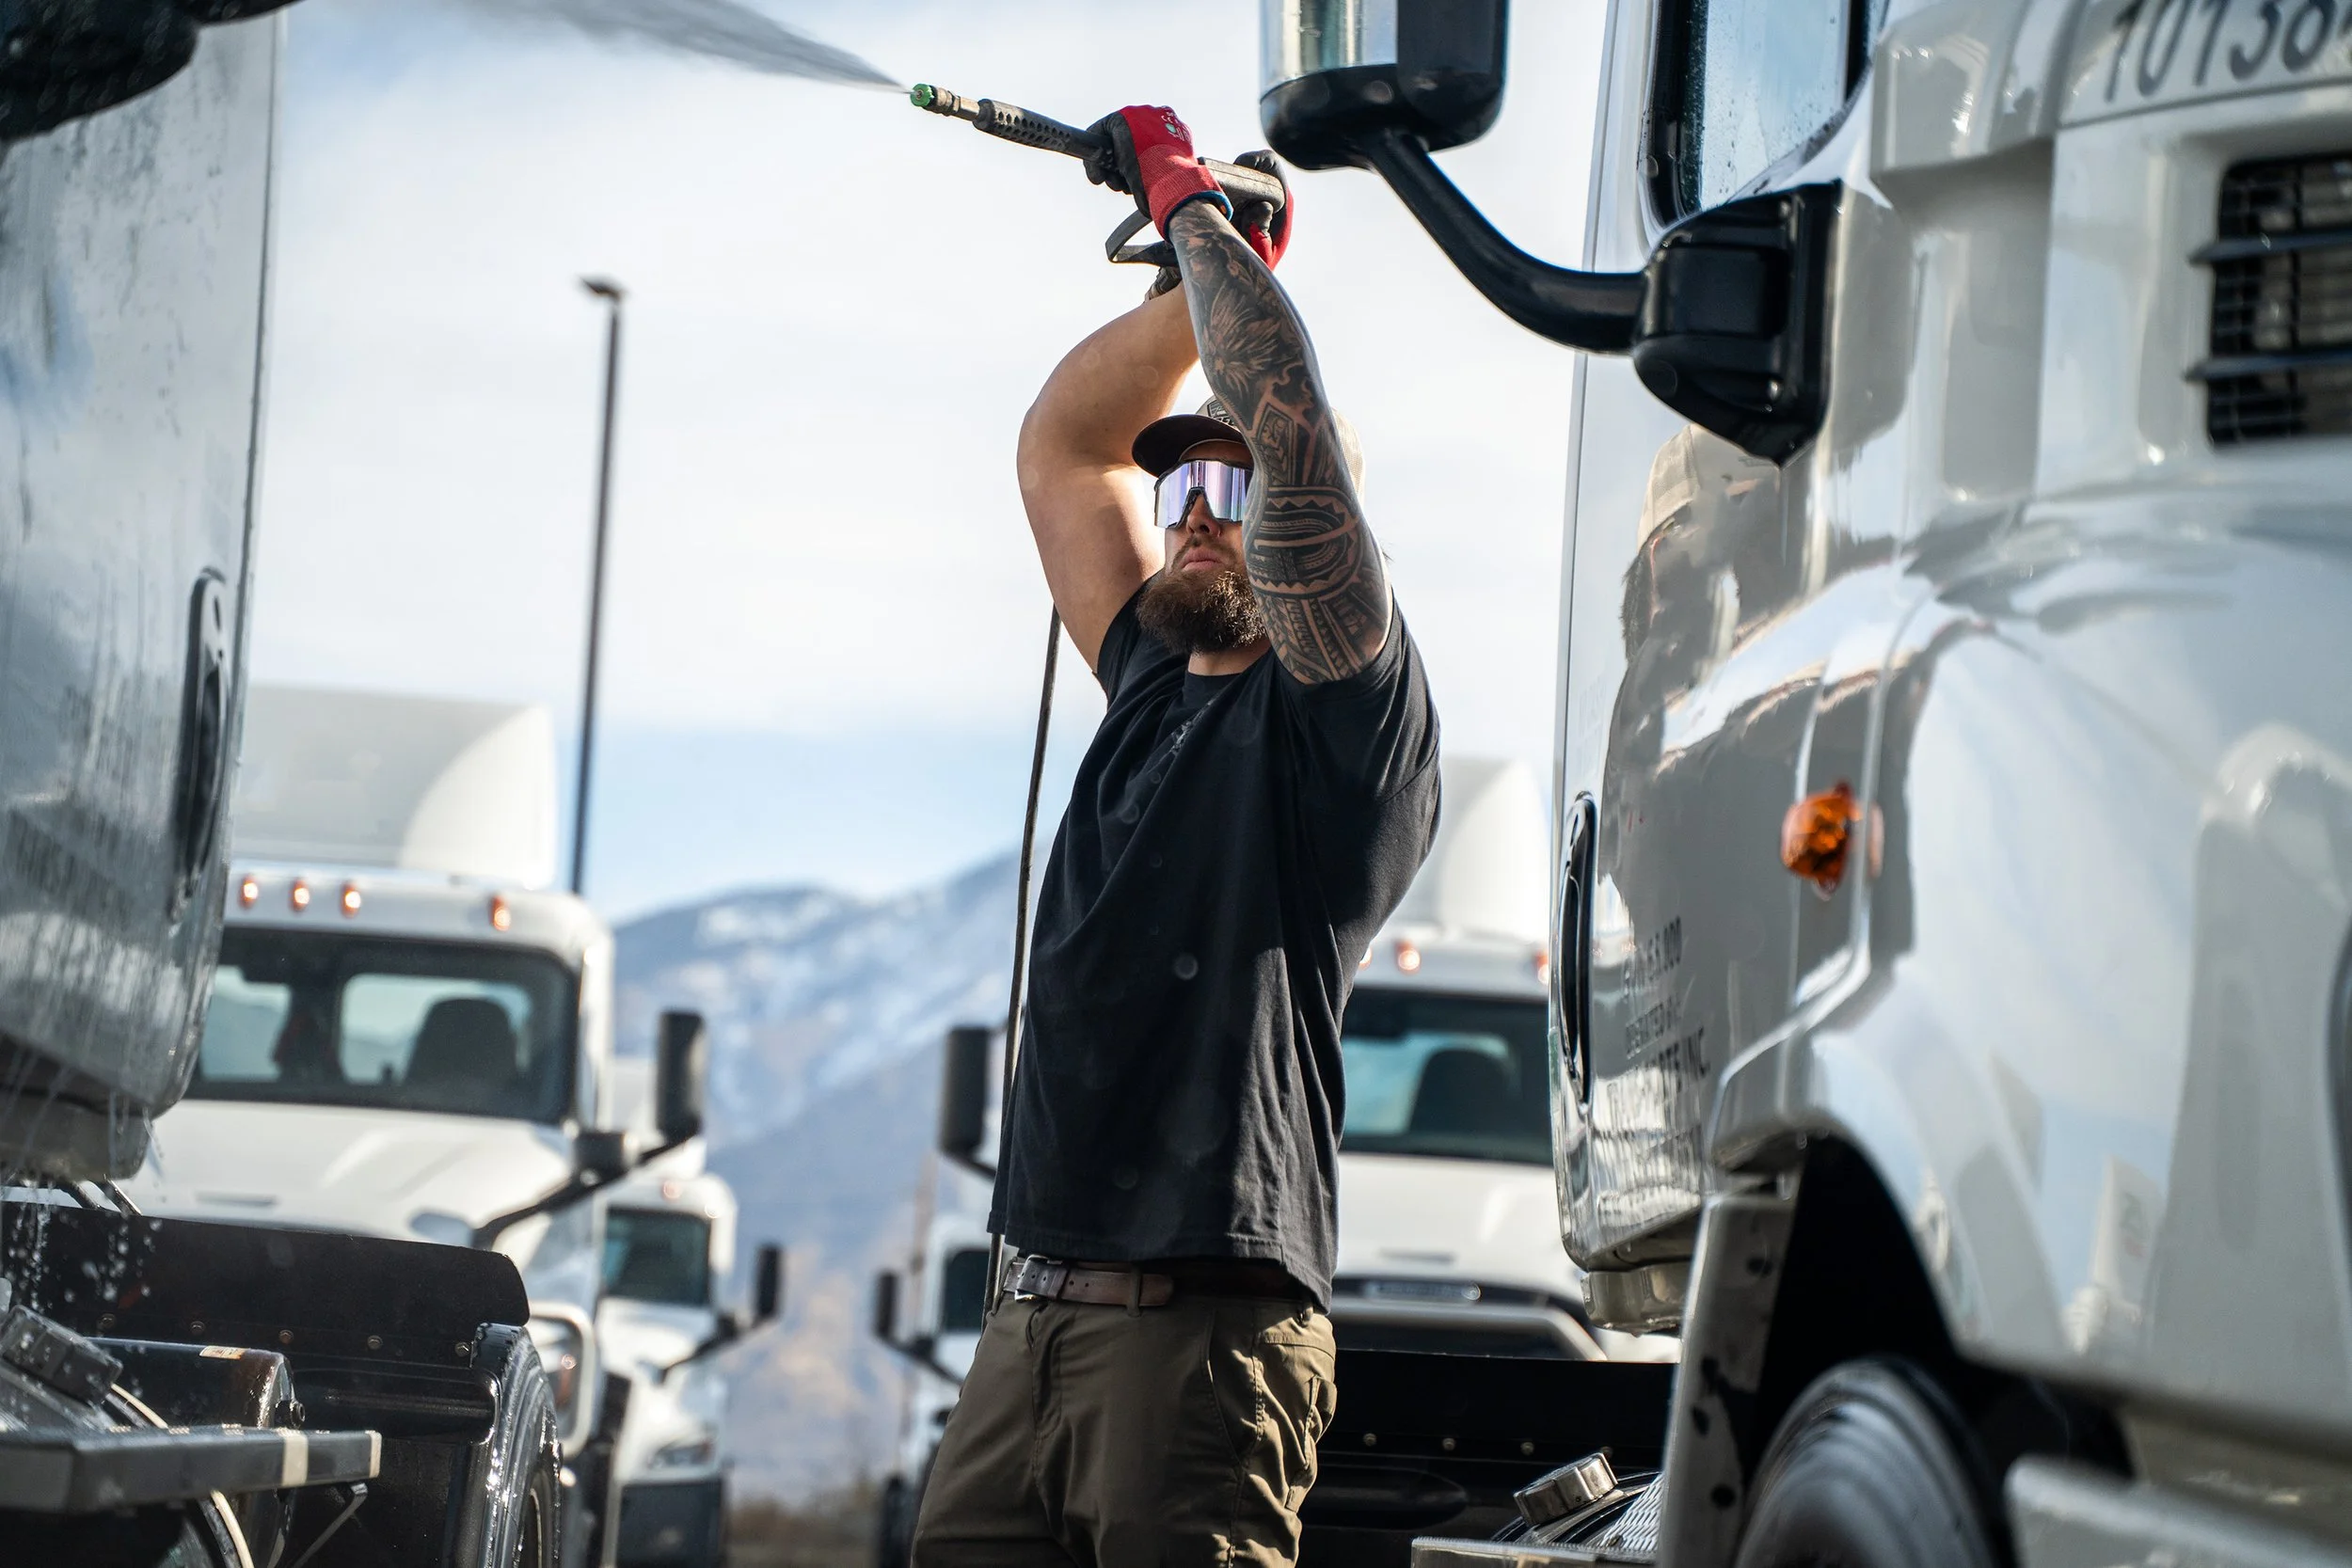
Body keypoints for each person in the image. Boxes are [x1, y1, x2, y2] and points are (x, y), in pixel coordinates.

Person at [910, 105, 1440, 1568]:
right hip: (1031, 1330)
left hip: (1200, 1340)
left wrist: (1203, 218)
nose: (1197, 516)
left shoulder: (1345, 717)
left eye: (1232, 492)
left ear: (1301, 524)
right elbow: (1064, 447)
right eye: (1181, 490)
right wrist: (1183, 288)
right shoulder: (1147, 676)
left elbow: (1294, 435)